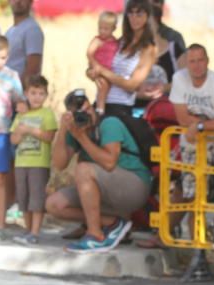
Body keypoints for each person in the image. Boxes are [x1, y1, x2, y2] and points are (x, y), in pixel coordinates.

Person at [46, 90, 151, 252]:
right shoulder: (76, 128)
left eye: (88, 109)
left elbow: (109, 162)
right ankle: (112, 223)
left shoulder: (109, 124)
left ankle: (95, 235)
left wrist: (82, 138)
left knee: (83, 169)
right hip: (107, 189)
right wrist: (63, 130)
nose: (87, 115)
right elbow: (60, 164)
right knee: (54, 205)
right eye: (81, 113)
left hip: (134, 186)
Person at [169, 43, 214, 247]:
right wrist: (203, 127)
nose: (197, 66)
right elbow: (181, 118)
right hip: (192, 143)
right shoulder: (179, 79)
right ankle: (197, 248)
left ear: (207, 61)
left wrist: (199, 125)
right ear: (186, 64)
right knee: (193, 195)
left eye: (201, 60)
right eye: (192, 61)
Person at [88, 0, 157, 117]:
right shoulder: (120, 41)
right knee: (70, 124)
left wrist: (102, 71)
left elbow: (131, 85)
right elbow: (97, 64)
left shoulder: (149, 49)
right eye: (131, 13)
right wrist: (91, 73)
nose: (134, 18)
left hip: (120, 108)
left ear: (147, 17)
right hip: (101, 102)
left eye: (139, 14)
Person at [9, 74, 54, 244]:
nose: (37, 97)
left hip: (38, 164)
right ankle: (27, 232)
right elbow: (13, 140)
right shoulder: (21, 116)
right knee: (24, 199)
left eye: (41, 93)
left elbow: (49, 137)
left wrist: (30, 130)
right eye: (33, 93)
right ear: (26, 94)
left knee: (36, 199)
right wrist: (19, 132)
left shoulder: (47, 114)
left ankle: (35, 233)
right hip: (21, 164)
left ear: (46, 95)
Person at [0, 36, 23, 239]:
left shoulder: (12, 76)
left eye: (3, 57)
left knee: (1, 179)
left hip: (3, 133)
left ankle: (1, 223)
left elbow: (19, 101)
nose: (0, 61)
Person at [87, 12, 119, 114]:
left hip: (109, 71)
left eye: (106, 29)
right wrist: (94, 66)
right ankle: (100, 108)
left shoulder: (115, 41)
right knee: (103, 85)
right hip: (99, 68)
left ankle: (101, 106)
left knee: (107, 87)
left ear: (113, 28)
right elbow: (89, 53)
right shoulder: (98, 40)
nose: (102, 31)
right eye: (100, 28)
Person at [5, 0, 43, 83]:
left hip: (16, 92)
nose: (18, 1)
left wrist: (17, 91)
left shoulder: (32, 30)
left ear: (30, 2)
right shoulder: (10, 31)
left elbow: (33, 70)